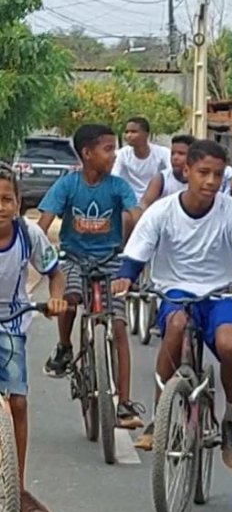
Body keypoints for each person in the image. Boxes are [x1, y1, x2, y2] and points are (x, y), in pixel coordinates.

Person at [113, 139, 232, 468]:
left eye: (217, 175)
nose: (210, 181)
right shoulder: (162, 211)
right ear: (185, 171)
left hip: (224, 292)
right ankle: (160, 416)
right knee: (176, 326)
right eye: (203, 173)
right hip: (175, 291)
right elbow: (136, 253)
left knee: (229, 344)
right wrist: (125, 277)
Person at [37, 123, 143, 429]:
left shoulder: (118, 186)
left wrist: (142, 237)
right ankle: (65, 347)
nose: (114, 155)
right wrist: (35, 252)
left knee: (119, 326)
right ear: (87, 153)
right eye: (108, 149)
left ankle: (123, 402)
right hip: (73, 258)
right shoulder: (68, 185)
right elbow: (42, 225)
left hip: (111, 260)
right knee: (68, 299)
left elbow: (135, 215)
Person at [0, 164, 68, 512]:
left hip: (10, 324)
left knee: (19, 403)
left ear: (18, 203)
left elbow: (55, 274)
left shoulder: (28, 236)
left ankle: (17, 488)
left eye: (6, 199)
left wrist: (56, 300)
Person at [142, 135, 232, 208]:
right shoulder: (161, 180)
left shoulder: (228, 208)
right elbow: (144, 205)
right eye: (173, 153)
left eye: (181, 153)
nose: (175, 158)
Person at [111, 116, 171, 205]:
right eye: (127, 132)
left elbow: (171, 174)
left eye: (134, 132)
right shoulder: (122, 154)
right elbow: (115, 176)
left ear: (146, 134)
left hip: (156, 202)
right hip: (130, 202)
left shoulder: (163, 153)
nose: (129, 135)